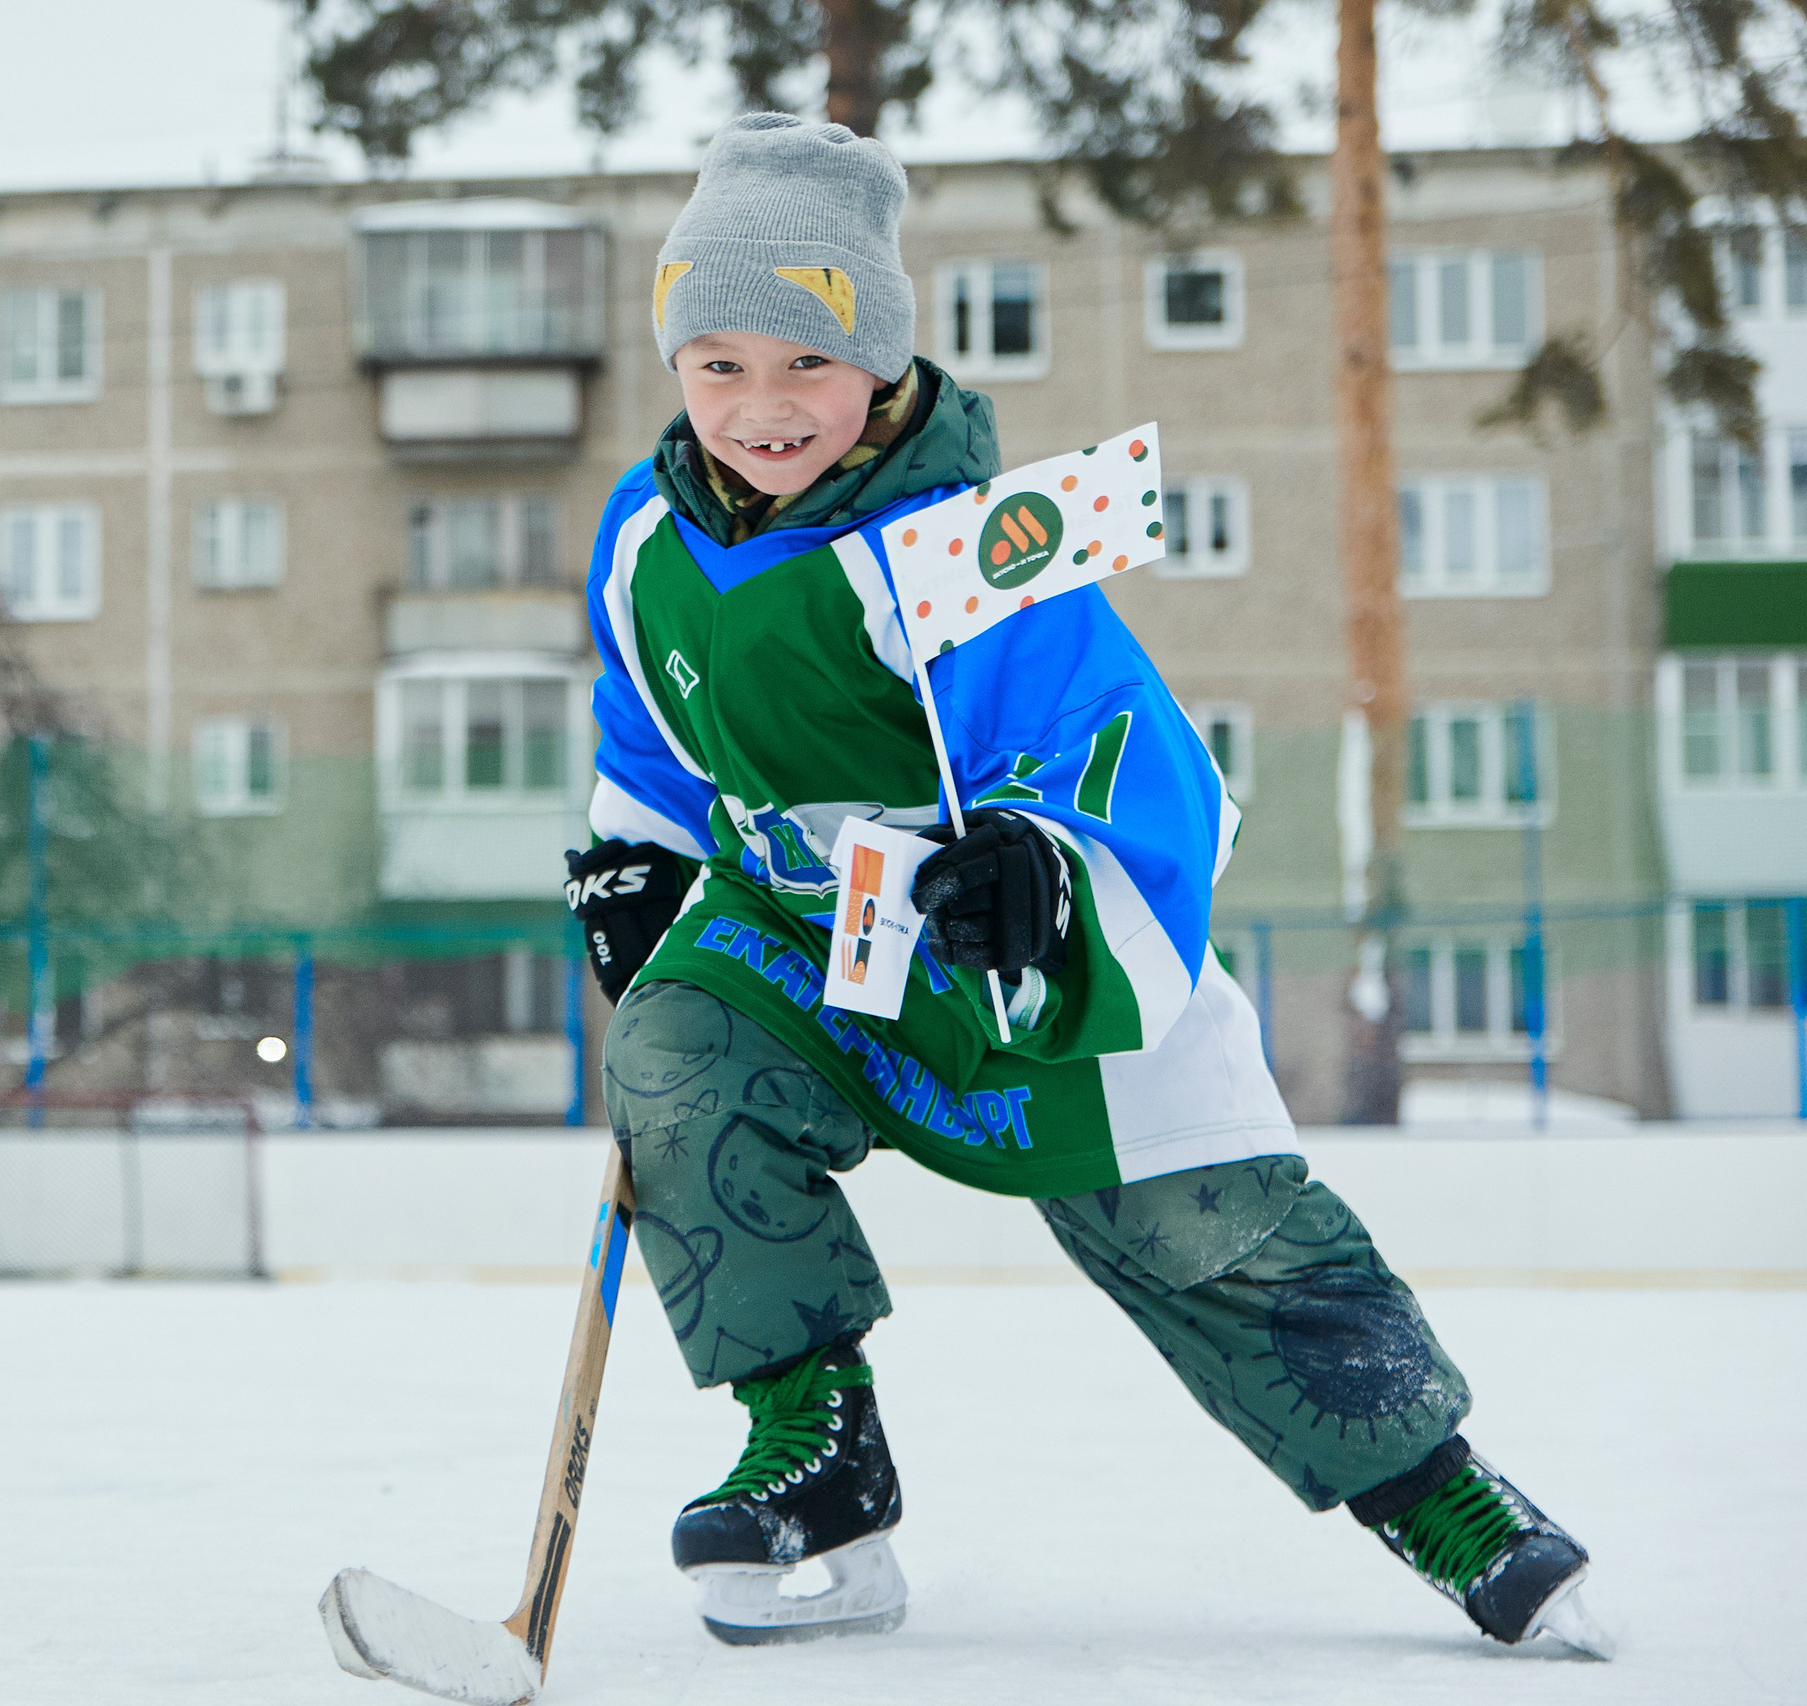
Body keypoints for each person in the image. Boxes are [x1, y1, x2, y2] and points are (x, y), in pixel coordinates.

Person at [562, 112, 1604, 1657]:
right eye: (718, 362)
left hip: (1011, 952)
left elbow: (1114, 738)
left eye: (806, 361)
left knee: (1202, 1226)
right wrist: (635, 857)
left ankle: (1438, 1491)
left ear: (879, 363)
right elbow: (652, 726)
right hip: (799, 927)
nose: (761, 406)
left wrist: (1041, 870)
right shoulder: (646, 536)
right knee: (673, 1058)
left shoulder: (972, 547)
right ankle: (816, 1455)